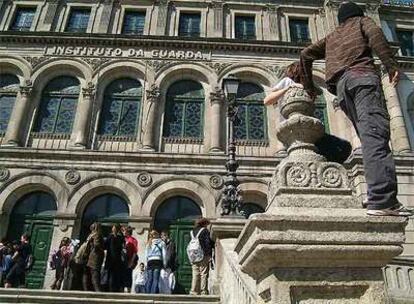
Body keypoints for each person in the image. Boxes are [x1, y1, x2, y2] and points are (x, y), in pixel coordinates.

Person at [299, 1, 413, 216]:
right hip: (362, 80)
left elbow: (305, 54)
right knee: (376, 137)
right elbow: (377, 37)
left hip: (342, 90)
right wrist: (391, 65)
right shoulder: (363, 21)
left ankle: (383, 199)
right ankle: (382, 202)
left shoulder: (332, 36)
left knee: (369, 139)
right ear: (358, 14)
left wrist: (310, 88)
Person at [264, 62, 352, 164]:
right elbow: (267, 100)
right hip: (295, 129)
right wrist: (288, 88)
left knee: (344, 148)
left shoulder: (306, 86)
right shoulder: (287, 81)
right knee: (342, 148)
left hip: (310, 129)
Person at [189, 218, 213, 296]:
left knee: (195, 273)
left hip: (193, 255)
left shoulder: (192, 232)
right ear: (204, 223)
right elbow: (207, 243)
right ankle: (203, 291)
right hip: (203, 254)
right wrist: (209, 254)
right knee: (204, 273)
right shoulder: (204, 231)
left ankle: (193, 291)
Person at [83, 222, 105, 291]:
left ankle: (86, 289)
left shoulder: (90, 235)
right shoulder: (97, 235)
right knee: (94, 274)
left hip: (88, 257)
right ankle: (97, 291)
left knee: (87, 274)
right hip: (94, 257)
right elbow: (96, 245)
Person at [145, 230, 167, 294]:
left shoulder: (149, 243)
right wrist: (164, 264)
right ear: (157, 235)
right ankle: (153, 295)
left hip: (150, 261)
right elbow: (164, 254)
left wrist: (146, 263)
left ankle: (147, 294)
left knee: (149, 279)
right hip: (158, 261)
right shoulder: (162, 243)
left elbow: (146, 254)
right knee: (155, 279)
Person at [105, 224, 124, 292]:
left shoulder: (111, 237)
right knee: (113, 275)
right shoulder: (119, 237)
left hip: (112, 259)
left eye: (113, 227)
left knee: (111, 275)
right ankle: (113, 289)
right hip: (115, 259)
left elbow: (105, 246)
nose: (112, 228)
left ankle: (111, 289)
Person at [123, 226, 138, 292]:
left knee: (128, 275)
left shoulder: (133, 240)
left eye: (124, 231)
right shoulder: (122, 239)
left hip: (129, 259)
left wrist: (131, 261)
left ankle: (128, 289)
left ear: (128, 232)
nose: (123, 232)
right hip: (122, 259)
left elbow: (135, 251)